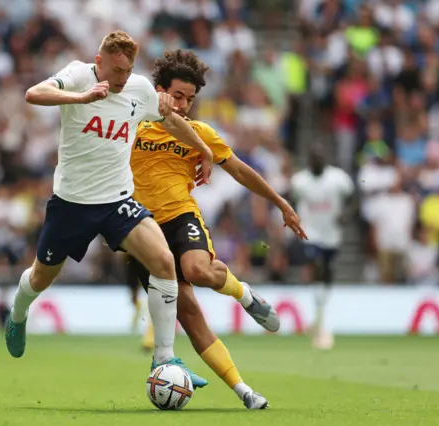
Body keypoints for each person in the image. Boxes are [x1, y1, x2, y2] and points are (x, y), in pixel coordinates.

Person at [4, 31, 215, 382]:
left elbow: (172, 122)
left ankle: (165, 359)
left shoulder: (138, 89)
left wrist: (204, 150)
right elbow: (32, 94)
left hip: (117, 200)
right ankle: (18, 313)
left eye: (128, 70)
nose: (121, 79)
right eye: (116, 70)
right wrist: (82, 97)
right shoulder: (77, 75)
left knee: (164, 262)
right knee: (42, 277)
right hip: (72, 203)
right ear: (99, 61)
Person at [129, 49, 308, 410]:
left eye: (190, 99)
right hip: (139, 228)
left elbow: (240, 170)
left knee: (198, 270)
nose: (183, 105)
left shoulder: (200, 134)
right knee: (191, 316)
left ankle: (243, 294)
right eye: (177, 96)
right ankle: (244, 390)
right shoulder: (132, 123)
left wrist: (281, 204)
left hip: (180, 218)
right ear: (159, 90)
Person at [290, 146, 354, 349]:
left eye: (320, 158)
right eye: (314, 159)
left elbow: (353, 198)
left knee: (327, 270)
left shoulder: (338, 179)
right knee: (317, 265)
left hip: (332, 234)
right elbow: (291, 200)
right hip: (311, 233)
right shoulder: (300, 181)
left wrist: (346, 215)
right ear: (309, 162)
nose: (317, 162)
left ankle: (321, 309)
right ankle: (319, 314)